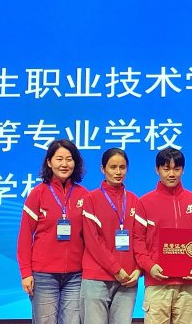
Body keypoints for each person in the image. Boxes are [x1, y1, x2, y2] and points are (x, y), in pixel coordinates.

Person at [17, 139, 89, 324]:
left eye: (69, 159)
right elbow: (25, 236)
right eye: (59, 159)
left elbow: (90, 237)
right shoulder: (38, 193)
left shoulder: (84, 195)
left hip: (76, 276)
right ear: (49, 162)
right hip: (43, 275)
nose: (64, 164)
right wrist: (26, 272)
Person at [134, 146, 192, 324]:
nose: (171, 174)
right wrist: (149, 266)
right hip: (157, 283)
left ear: (183, 170)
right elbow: (138, 241)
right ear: (157, 169)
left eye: (176, 169)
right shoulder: (144, 203)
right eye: (166, 169)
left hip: (187, 284)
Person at [80, 148, 140, 323]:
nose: (118, 172)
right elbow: (93, 241)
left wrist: (138, 269)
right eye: (113, 167)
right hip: (96, 278)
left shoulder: (134, 200)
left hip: (127, 280)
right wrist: (116, 269)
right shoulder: (91, 199)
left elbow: (140, 239)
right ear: (103, 169)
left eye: (122, 167)